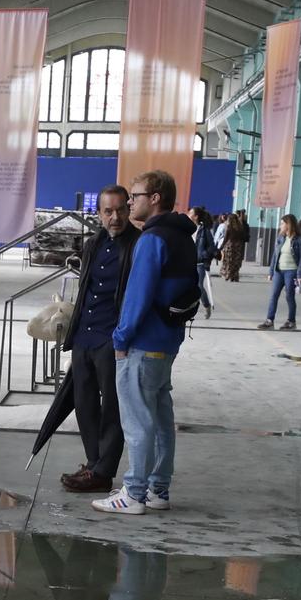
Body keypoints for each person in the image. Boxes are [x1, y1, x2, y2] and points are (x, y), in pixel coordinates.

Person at [92, 170, 192, 516]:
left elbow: (138, 295)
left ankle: (133, 493)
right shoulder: (183, 236)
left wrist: (121, 337)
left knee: (137, 421)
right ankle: (157, 489)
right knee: (161, 419)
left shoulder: (151, 240)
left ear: (155, 199)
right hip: (167, 342)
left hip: (143, 342)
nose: (130, 201)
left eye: (135, 196)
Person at [59, 185, 140, 494]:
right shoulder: (93, 243)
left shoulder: (138, 244)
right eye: (108, 211)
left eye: (121, 209)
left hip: (113, 338)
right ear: (100, 214)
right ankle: (94, 464)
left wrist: (124, 336)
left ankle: (104, 470)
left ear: (129, 209)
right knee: (84, 403)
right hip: (84, 336)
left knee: (113, 408)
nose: (115, 217)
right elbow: (85, 287)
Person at [260, 214, 301, 329]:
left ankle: (291, 321)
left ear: (289, 225)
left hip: (291, 271)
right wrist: (271, 272)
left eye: (282, 223)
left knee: (289, 296)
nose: (280, 225)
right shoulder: (281, 238)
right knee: (273, 295)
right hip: (279, 271)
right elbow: (275, 255)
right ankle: (269, 320)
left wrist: (300, 274)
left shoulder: (299, 239)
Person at [190, 206, 218, 317]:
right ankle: (189, 309)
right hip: (188, 262)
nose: (188, 214)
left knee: (199, 286)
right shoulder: (187, 228)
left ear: (196, 216)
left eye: (190, 213)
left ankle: (206, 305)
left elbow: (212, 247)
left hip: (200, 264)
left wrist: (203, 255)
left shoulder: (204, 230)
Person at [221, 211, 248, 283]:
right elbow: (243, 237)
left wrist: (221, 246)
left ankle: (228, 275)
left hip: (230, 246)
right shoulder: (240, 228)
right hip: (238, 246)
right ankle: (235, 276)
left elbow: (226, 238)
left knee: (229, 261)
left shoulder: (229, 227)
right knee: (236, 262)